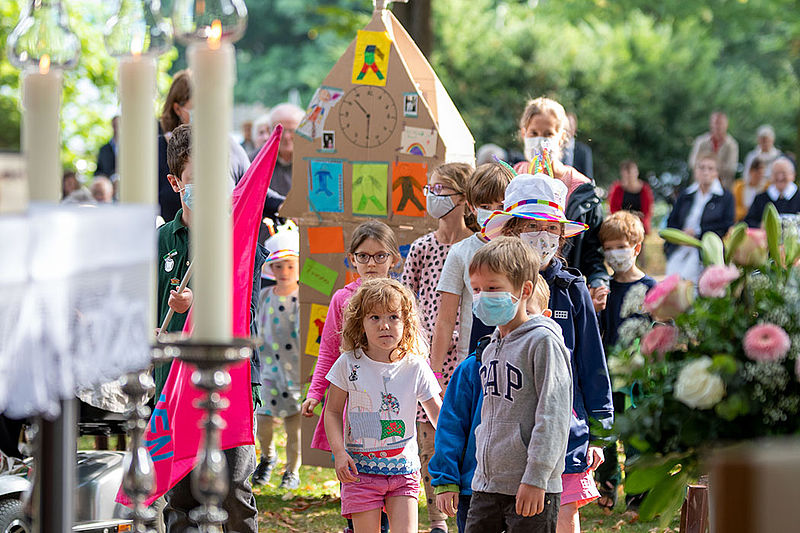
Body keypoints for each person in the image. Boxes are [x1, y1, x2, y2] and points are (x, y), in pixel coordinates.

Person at [484, 172, 614, 533]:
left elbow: (592, 363)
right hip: (507, 435)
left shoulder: (573, 290)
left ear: (561, 235)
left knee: (563, 514)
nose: (542, 235)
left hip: (566, 431)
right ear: (512, 231)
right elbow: (482, 359)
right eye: (531, 226)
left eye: (551, 228)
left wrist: (599, 433)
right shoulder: (494, 288)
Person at [156, 124, 260, 532]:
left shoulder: (239, 239)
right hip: (173, 385)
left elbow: (243, 309)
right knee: (181, 494)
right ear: (176, 183)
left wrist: (197, 305)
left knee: (232, 488)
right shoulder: (160, 242)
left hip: (230, 380)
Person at [461, 237, 572, 533]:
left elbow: (554, 415)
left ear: (524, 290)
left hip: (531, 486)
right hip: (487, 485)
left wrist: (536, 477)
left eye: (493, 288)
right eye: (477, 289)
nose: (482, 297)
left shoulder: (544, 342)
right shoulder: (489, 347)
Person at [430, 271, 552, 533]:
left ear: (545, 316)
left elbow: (554, 421)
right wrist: (446, 478)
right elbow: (451, 425)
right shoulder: (473, 366)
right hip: (474, 487)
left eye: (530, 315)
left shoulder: (545, 359)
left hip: (526, 486)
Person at [301, 220, 401, 533]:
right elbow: (329, 353)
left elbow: (412, 349)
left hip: (392, 405)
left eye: (380, 255)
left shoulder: (401, 298)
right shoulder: (341, 300)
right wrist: (315, 393)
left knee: (392, 475)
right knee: (358, 478)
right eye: (363, 256)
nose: (371, 263)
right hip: (356, 406)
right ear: (352, 259)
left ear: (393, 259)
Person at [325, 279, 442, 533]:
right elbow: (332, 411)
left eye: (393, 317)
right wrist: (339, 452)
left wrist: (451, 450)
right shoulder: (348, 363)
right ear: (361, 323)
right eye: (375, 317)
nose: (384, 325)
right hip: (359, 472)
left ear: (406, 322)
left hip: (404, 472)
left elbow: (438, 414)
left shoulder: (416, 366)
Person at [400, 162, 475, 533]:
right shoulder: (421, 248)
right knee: (429, 438)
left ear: (462, 198)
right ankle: (437, 519)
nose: (433, 195)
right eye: (430, 188)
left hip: (465, 354)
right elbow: (404, 300)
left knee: (462, 431)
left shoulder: (476, 248)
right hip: (426, 355)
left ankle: (467, 509)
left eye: (441, 189)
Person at [514, 97, 609, 306]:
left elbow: (593, 253)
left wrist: (598, 283)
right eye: (534, 133)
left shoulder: (583, 190)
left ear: (562, 137)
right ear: (523, 133)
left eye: (548, 133)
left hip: (565, 295)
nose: (540, 140)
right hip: (517, 291)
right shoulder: (511, 180)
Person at [430, 163, 513, 385]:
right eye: (485, 205)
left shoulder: (521, 250)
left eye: (502, 205)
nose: (494, 211)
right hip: (472, 361)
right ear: (471, 206)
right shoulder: (461, 251)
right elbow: (445, 319)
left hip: (516, 361)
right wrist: (435, 375)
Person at [594, 211, 656, 510]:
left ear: (636, 247)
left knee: (635, 435)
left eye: (620, 246)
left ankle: (638, 493)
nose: (614, 254)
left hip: (639, 376)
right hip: (608, 373)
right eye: (608, 248)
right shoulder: (604, 288)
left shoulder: (651, 287)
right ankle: (607, 483)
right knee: (605, 431)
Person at [157, 70, 250, 222]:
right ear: (178, 109)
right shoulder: (156, 151)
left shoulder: (228, 146)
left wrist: (282, 205)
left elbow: (253, 186)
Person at [252, 226, 302, 490]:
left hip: (294, 370)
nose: (284, 272)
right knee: (263, 418)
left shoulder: (302, 299)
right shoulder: (264, 296)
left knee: (294, 424)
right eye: (279, 266)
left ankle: (292, 470)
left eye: (290, 266)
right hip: (268, 368)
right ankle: (267, 457)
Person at [665, 154, 735, 282]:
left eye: (710, 168)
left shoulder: (725, 197)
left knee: (687, 280)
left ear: (716, 173)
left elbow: (726, 225)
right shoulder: (685, 195)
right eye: (701, 168)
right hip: (680, 245)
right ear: (695, 171)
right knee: (671, 279)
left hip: (704, 249)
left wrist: (698, 232)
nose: (705, 172)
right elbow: (672, 221)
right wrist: (680, 235)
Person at [744, 157, 800, 227]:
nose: (780, 177)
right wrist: (760, 225)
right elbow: (748, 222)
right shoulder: (760, 199)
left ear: (793, 175)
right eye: (776, 173)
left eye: (784, 173)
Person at [689, 111, 739, 188]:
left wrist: (708, 170)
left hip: (723, 186)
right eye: (715, 123)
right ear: (711, 124)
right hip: (700, 185)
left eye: (720, 123)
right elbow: (692, 163)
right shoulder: (701, 141)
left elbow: (731, 168)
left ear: (726, 125)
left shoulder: (732, 145)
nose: (717, 126)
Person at [607, 160, 654, 234]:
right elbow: (613, 209)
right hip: (620, 226)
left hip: (640, 227)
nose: (629, 176)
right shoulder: (617, 189)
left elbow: (647, 212)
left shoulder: (644, 189)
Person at [561, 113, 593, 180]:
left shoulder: (584, 151)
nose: (568, 129)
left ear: (575, 128)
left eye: (571, 125)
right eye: (566, 125)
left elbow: (588, 177)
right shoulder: (554, 149)